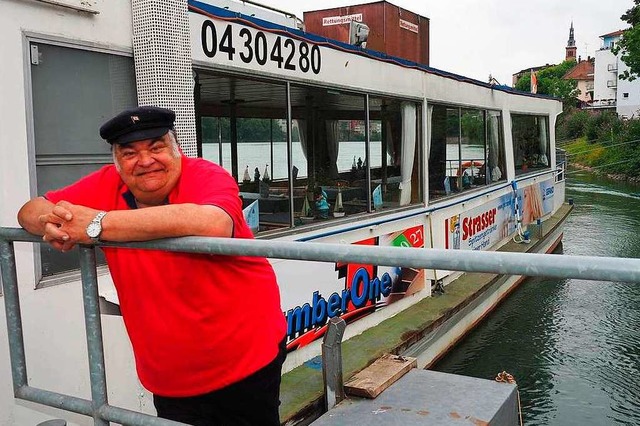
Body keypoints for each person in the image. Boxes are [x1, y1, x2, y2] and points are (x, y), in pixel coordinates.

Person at [17, 106, 287, 426]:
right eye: (129, 152)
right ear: (117, 162)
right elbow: (29, 209)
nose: (145, 161)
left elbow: (213, 222)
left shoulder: (205, 175)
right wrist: (54, 223)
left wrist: (97, 225)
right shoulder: (107, 185)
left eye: (156, 147)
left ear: (177, 149)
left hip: (245, 361)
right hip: (168, 376)